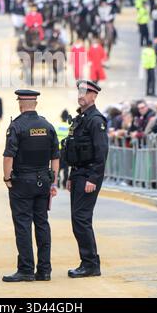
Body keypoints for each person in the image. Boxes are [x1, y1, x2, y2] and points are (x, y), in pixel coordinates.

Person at [2, 89, 59, 282]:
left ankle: (26, 269)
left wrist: (7, 179)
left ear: (20, 103)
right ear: (35, 103)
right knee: (42, 224)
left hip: (22, 183)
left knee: (23, 225)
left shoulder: (16, 126)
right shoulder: (47, 125)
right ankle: (44, 270)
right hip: (43, 180)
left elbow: (8, 156)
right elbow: (55, 157)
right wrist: (54, 181)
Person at [63, 80, 108, 278]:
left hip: (89, 174)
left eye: (85, 92)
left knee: (81, 219)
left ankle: (90, 264)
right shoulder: (81, 118)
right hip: (79, 173)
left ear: (94, 96)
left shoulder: (96, 120)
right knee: (78, 219)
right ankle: (88, 262)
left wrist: (93, 178)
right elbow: (75, 150)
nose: (81, 95)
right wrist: (72, 176)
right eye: (79, 92)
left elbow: (101, 152)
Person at [55, 109, 70, 189]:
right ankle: (64, 184)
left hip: (58, 150)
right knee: (66, 167)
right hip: (66, 150)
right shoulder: (69, 127)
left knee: (57, 166)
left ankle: (57, 182)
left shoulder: (57, 126)